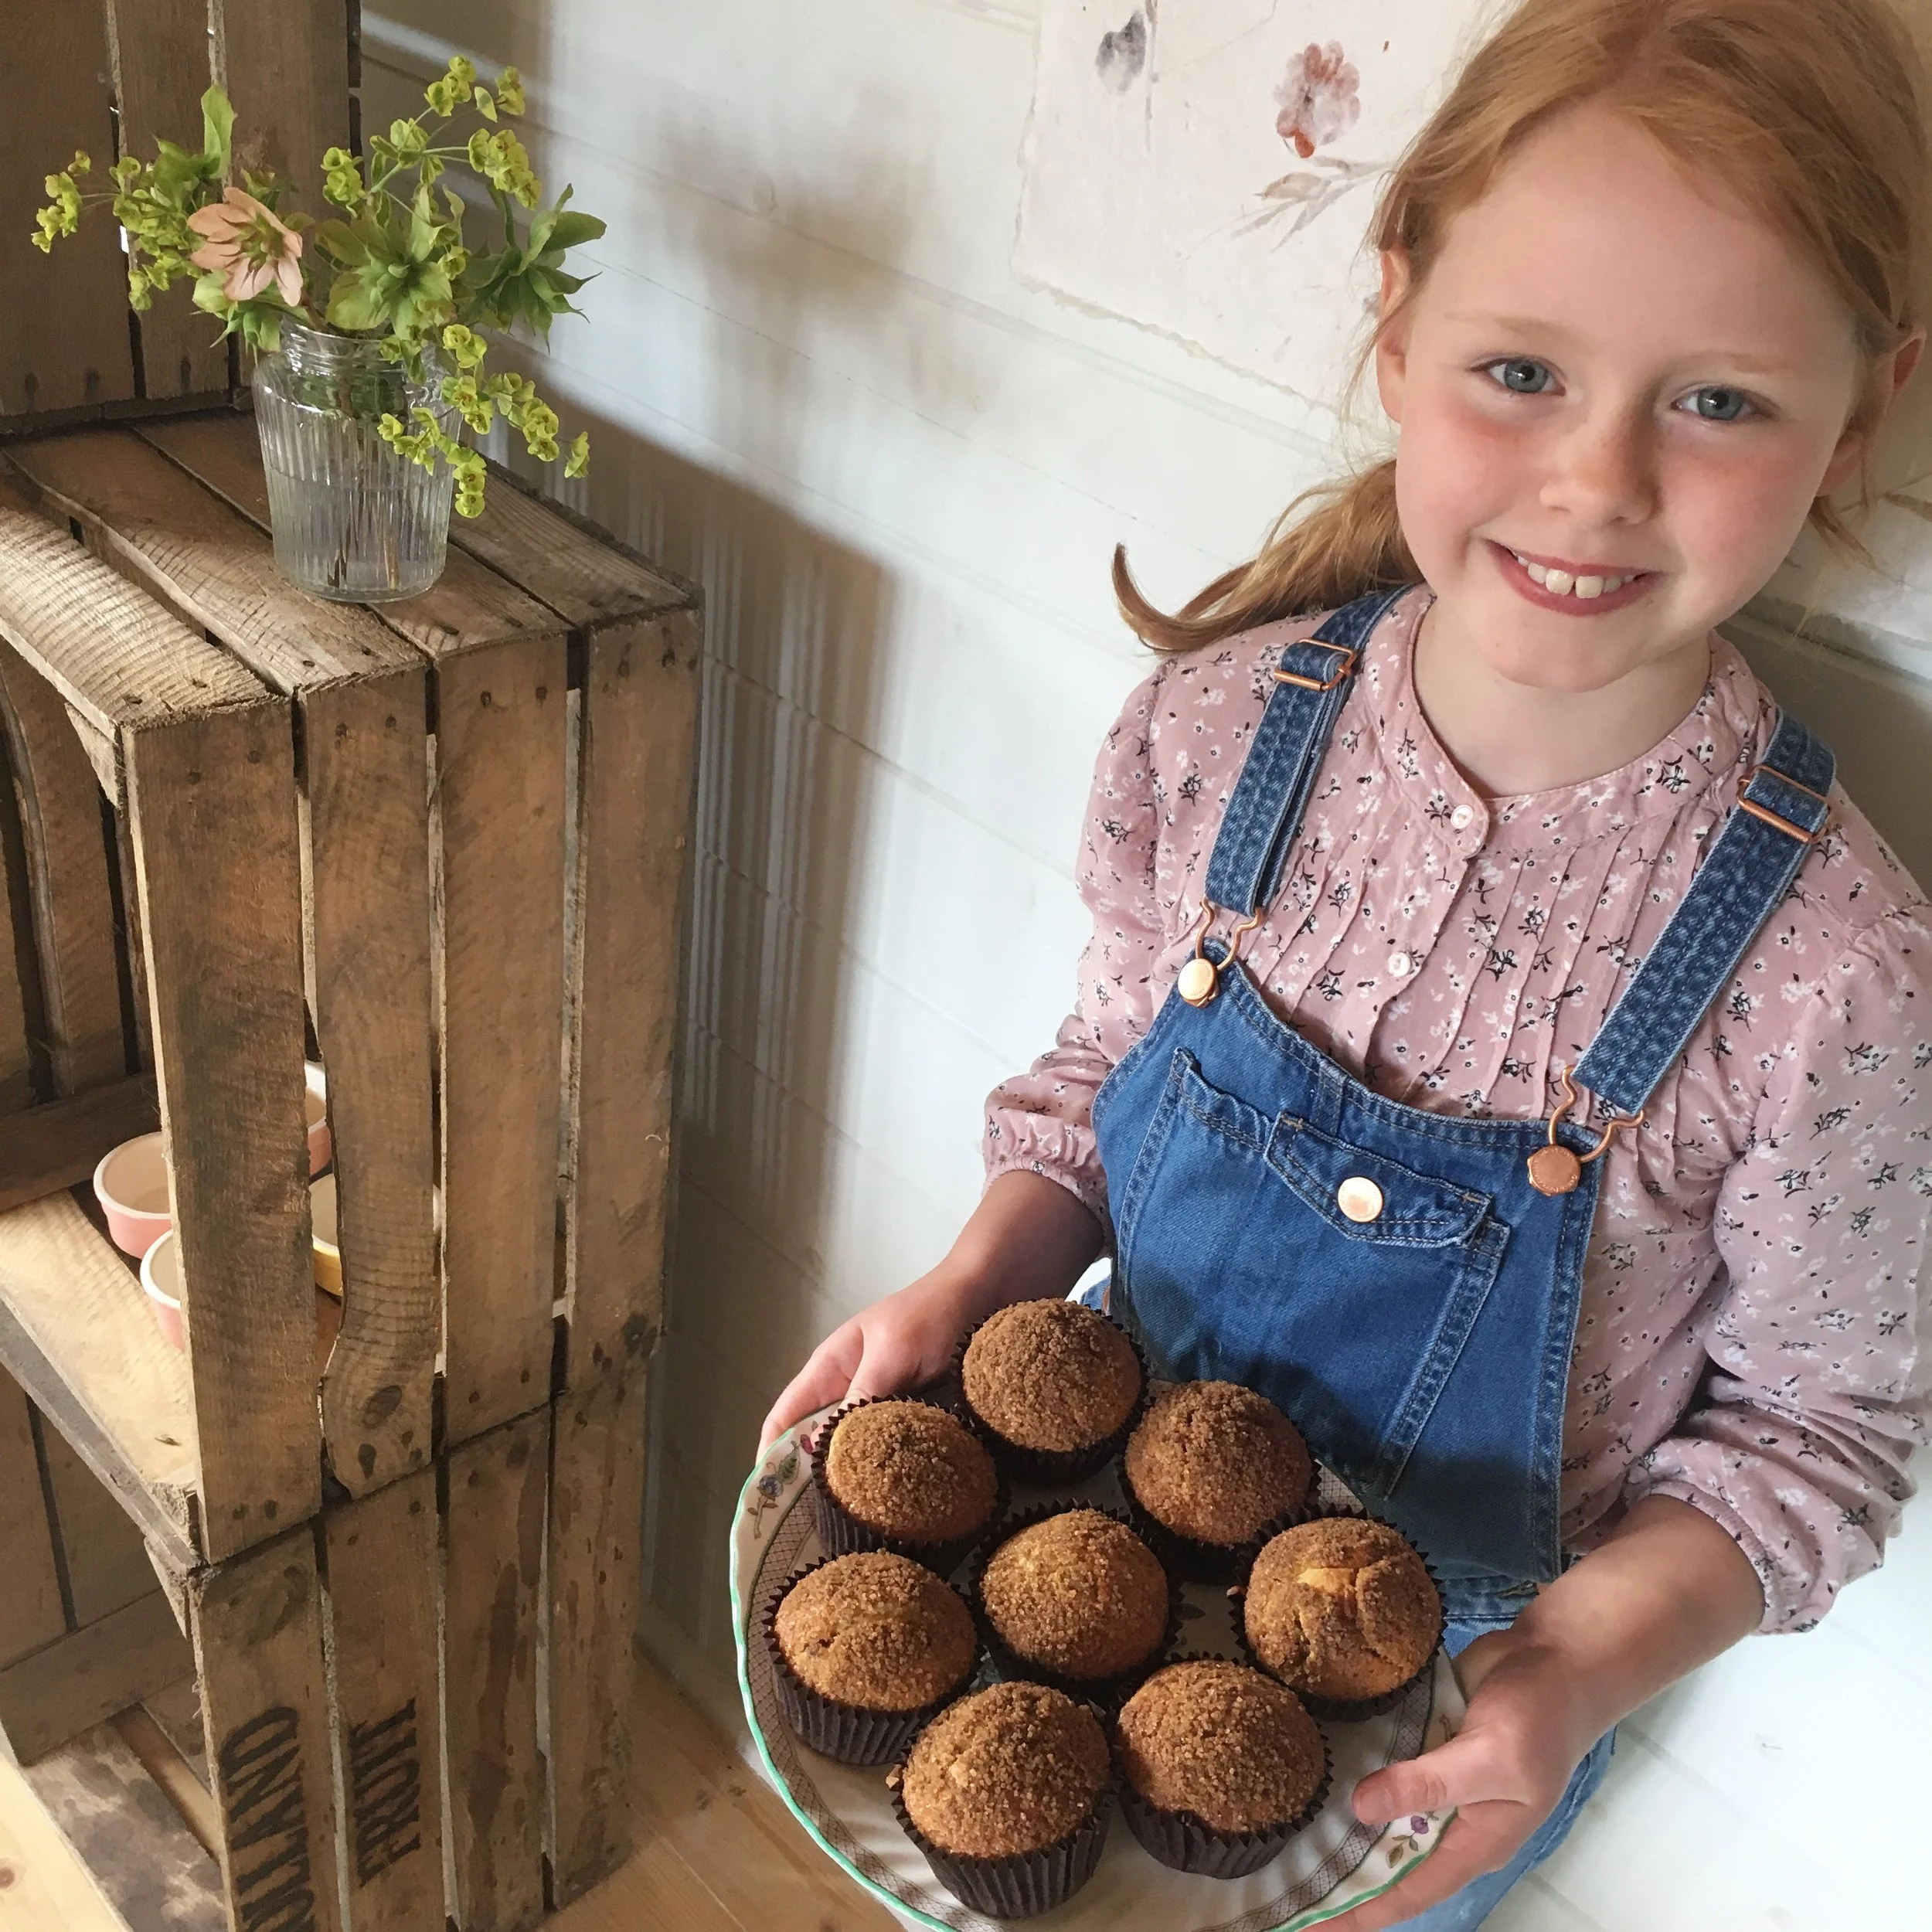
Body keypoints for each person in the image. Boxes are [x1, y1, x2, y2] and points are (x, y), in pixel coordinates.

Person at [760, 1, 1932, 1923]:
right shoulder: (1206, 734)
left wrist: (1563, 1674)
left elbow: (1811, 1436)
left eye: (1715, 398)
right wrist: (974, 1276)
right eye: (1518, 368)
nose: (1596, 479)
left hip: (1435, 1718)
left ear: (1861, 409)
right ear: (1393, 329)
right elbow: (1098, 1072)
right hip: (1063, 1577)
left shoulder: (1834, 978)